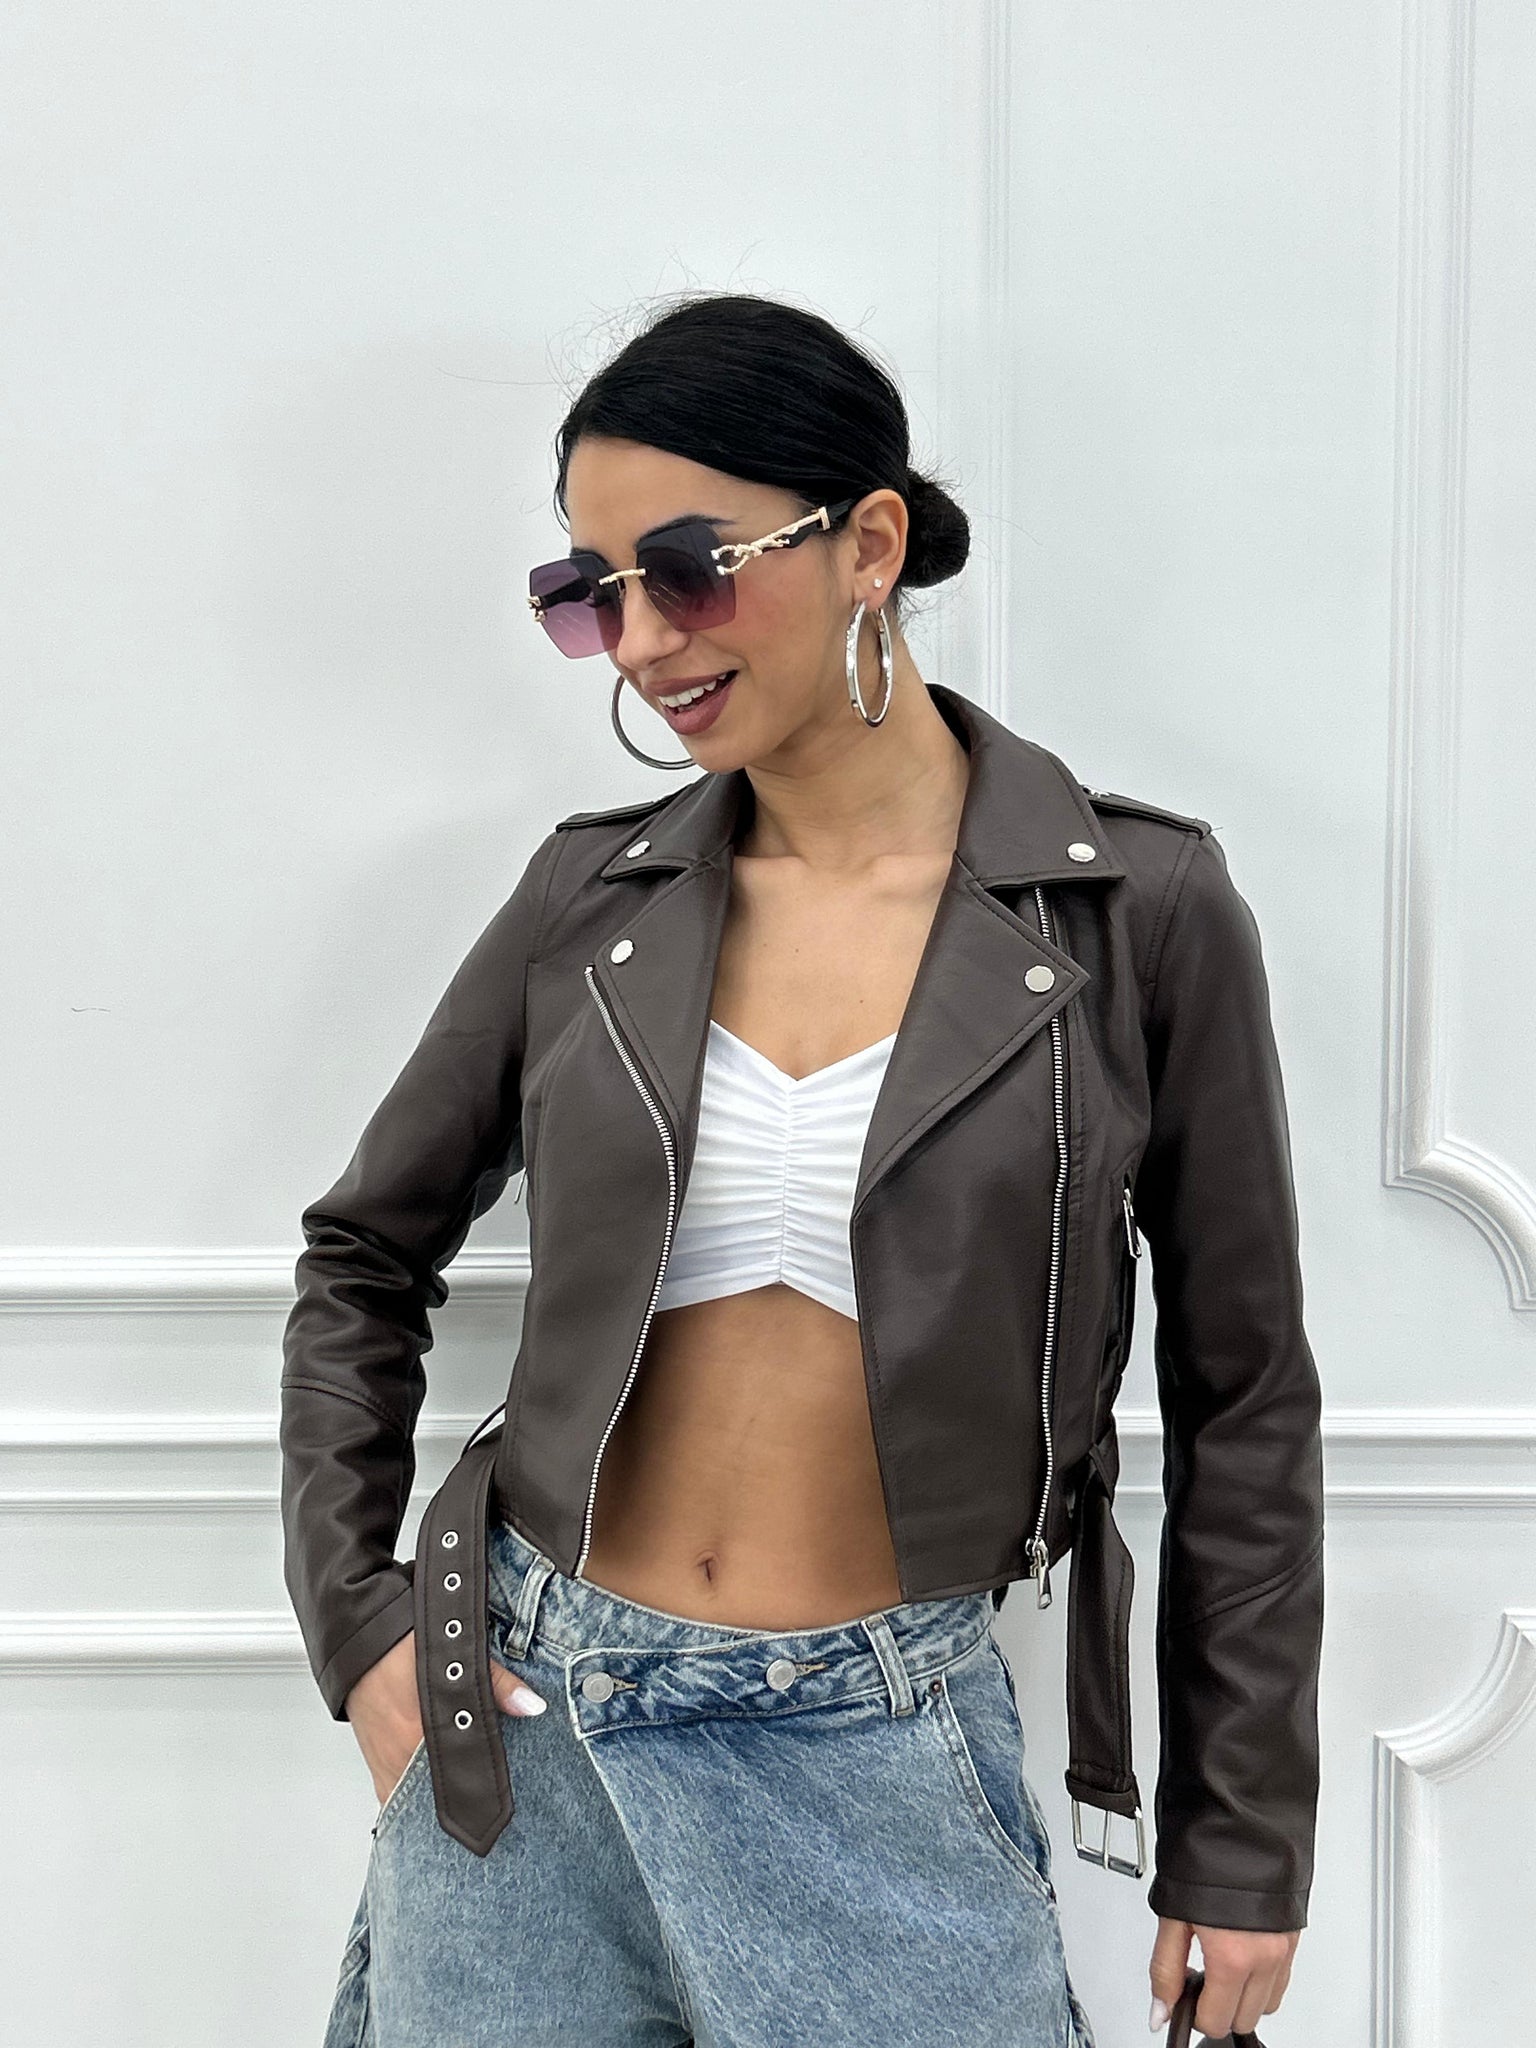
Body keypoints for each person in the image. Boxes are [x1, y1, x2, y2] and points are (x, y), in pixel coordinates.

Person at [280, 290, 1324, 2048]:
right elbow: (362, 1260)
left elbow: (1247, 1399)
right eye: (590, 591)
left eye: (686, 571)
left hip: (873, 1738)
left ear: (871, 545)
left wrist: (1242, 1840)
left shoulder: (1137, 913)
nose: (636, 641)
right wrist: (360, 1624)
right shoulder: (588, 898)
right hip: (522, 1734)